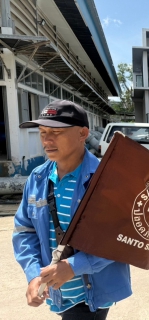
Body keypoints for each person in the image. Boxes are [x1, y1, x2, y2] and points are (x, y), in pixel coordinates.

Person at [12, 100, 132, 319]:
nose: (47, 140)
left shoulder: (105, 181)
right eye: (42, 132)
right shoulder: (38, 178)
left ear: (82, 133)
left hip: (91, 295)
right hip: (59, 293)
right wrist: (33, 275)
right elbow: (24, 231)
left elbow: (119, 238)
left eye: (56, 133)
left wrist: (74, 266)